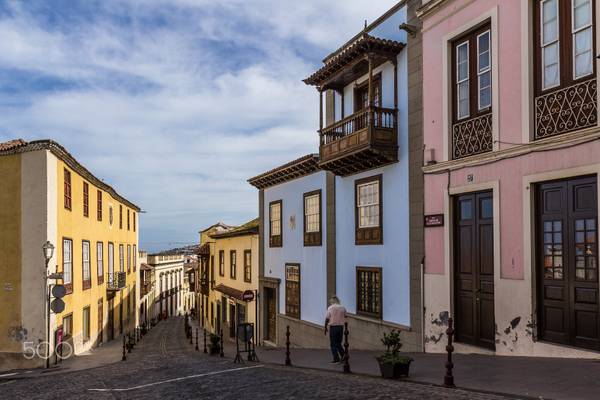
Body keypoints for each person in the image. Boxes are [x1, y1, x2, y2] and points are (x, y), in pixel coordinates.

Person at [324, 296, 346, 364]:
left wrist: (325, 327)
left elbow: (327, 318)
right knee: (339, 343)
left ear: (332, 301)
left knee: (333, 344)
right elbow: (345, 315)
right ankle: (344, 355)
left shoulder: (330, 308)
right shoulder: (342, 307)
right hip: (340, 327)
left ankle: (336, 359)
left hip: (333, 327)